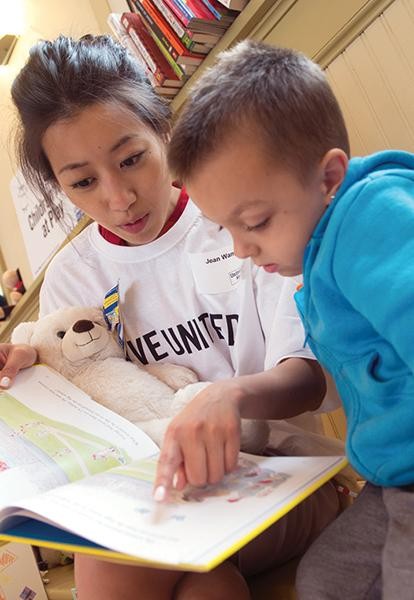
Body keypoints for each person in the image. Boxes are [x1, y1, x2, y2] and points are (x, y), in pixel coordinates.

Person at [0, 35, 343, 600]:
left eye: (131, 159)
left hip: (281, 475)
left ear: (165, 129)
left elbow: (308, 375)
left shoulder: (242, 220)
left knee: (113, 567)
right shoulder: (72, 275)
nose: (119, 197)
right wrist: (26, 384)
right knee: (206, 590)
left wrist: (225, 398)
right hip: (152, 492)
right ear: (59, 185)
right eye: (83, 182)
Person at [166, 38, 414, 599]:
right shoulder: (317, 256)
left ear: (329, 178)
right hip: (389, 479)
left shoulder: (367, 220)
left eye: (254, 221)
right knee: (323, 581)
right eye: (226, 228)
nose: (242, 248)